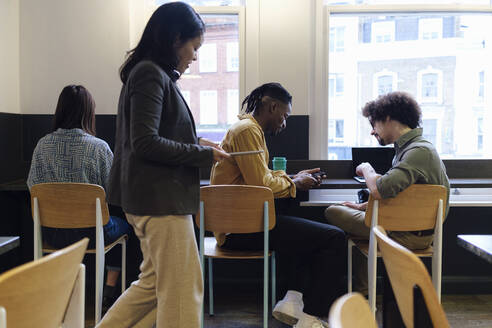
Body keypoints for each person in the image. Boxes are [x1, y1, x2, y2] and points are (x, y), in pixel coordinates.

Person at [97, 2, 229, 328]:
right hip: (159, 199)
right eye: (194, 47)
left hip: (153, 198)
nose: (195, 56)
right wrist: (201, 155)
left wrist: (200, 145)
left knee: (153, 286)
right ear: (175, 39)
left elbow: (148, 138)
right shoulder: (149, 74)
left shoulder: (150, 73)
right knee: (184, 291)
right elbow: (145, 142)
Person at [210, 82, 346, 328]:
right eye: (284, 116)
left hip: (243, 223)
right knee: (333, 238)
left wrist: (293, 179)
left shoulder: (248, 130)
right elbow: (261, 186)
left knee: (299, 228)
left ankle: (292, 299)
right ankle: (311, 315)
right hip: (239, 230)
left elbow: (258, 179)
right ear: (272, 107)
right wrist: (294, 183)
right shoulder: (247, 131)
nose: (284, 123)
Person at [324, 91, 450, 294]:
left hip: (409, 233)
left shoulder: (418, 151)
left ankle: (359, 292)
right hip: (411, 229)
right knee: (356, 224)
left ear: (388, 118)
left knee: (333, 211)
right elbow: (403, 196)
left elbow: (380, 189)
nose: (373, 132)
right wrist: (362, 206)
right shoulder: (414, 149)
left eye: (374, 124)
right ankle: (363, 290)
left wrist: (365, 167)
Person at [27, 84, 133, 308]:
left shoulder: (41, 146)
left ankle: (59, 294)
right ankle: (109, 292)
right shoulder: (99, 148)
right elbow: (114, 191)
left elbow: (32, 187)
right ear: (88, 112)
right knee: (123, 225)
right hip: (92, 234)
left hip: (52, 234)